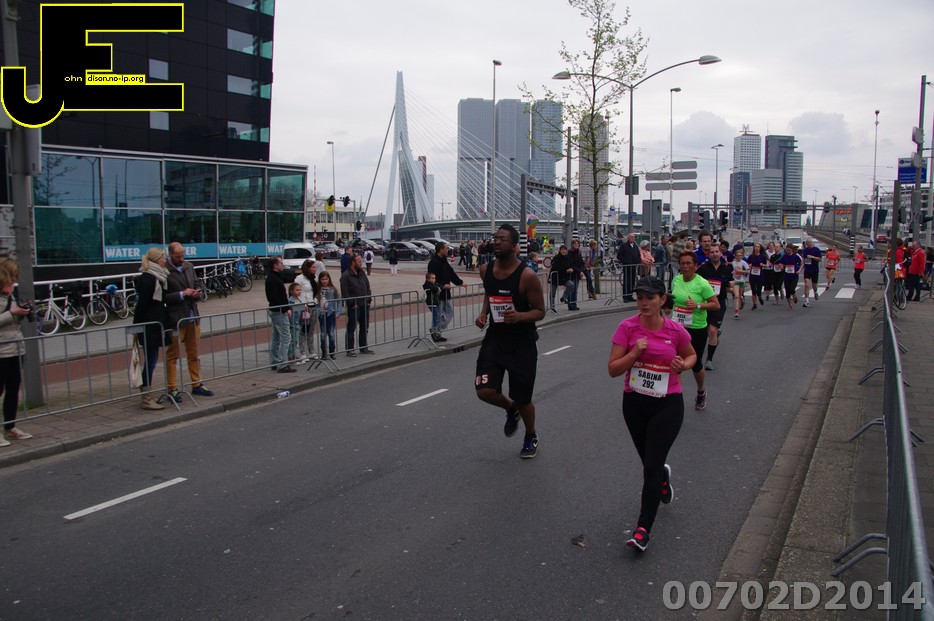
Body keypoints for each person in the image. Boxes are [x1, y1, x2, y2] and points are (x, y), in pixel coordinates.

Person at [608, 276, 697, 552]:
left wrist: (683, 365)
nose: (644, 303)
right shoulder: (627, 327)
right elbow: (613, 369)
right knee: (651, 463)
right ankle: (662, 478)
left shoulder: (675, 330)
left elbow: (691, 355)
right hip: (635, 404)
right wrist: (634, 352)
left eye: (650, 298)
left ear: (662, 300)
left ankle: (643, 529)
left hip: (667, 404)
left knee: (650, 467)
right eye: (640, 298)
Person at [474, 224, 546, 459]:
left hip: (521, 344)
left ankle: (531, 435)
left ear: (514, 246)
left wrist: (519, 317)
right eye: (495, 238)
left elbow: (540, 311)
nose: (496, 242)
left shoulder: (527, 276)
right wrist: (483, 313)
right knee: (484, 391)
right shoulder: (485, 270)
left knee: (523, 398)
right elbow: (490, 293)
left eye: (502, 239)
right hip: (495, 340)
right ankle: (510, 408)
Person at [669, 251, 718, 411]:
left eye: (688, 263)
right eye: (682, 263)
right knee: (674, 361)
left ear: (695, 266)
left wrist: (698, 305)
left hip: (696, 328)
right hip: (677, 327)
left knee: (695, 364)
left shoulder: (702, 284)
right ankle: (675, 396)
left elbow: (715, 304)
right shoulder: (676, 280)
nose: (685, 266)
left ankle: (701, 391)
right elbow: (674, 299)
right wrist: (668, 307)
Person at [164, 242, 213, 403]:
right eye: (178, 256)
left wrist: (198, 290)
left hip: (192, 315)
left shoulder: (188, 266)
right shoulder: (165, 270)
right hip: (176, 319)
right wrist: (181, 294)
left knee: (194, 352)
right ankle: (172, 388)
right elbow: (163, 297)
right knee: (173, 354)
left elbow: (197, 282)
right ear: (170, 254)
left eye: (183, 256)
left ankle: (197, 383)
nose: (181, 259)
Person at [0, 258, 33, 445]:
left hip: (15, 348)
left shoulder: (10, 296)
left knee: (13, 388)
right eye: (11, 277)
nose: (14, 281)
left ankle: (10, 426)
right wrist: (11, 313)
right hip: (1, 351)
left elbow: (11, 321)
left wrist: (21, 312)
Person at [132, 248, 170, 411]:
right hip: (149, 326)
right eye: (162, 258)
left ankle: (148, 394)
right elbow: (142, 305)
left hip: (155, 324)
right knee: (151, 361)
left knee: (152, 359)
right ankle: (146, 397)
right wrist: (136, 326)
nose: (165, 261)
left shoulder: (158, 276)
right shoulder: (149, 279)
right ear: (156, 260)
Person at [697, 245, 732, 371]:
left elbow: (729, 284)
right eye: (712, 252)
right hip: (706, 303)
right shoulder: (703, 269)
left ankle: (709, 360)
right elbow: (696, 284)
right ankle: (716, 334)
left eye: (717, 251)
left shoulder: (726, 269)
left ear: (720, 253)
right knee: (706, 331)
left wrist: (737, 294)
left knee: (712, 331)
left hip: (719, 303)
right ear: (709, 254)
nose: (715, 254)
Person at [427, 242, 465, 340]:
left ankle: (436, 329)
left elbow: (451, 273)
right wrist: (442, 286)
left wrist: (460, 282)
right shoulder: (433, 262)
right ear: (441, 249)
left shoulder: (444, 261)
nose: (448, 250)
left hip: (446, 293)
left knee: (449, 311)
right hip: (438, 293)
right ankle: (436, 333)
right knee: (438, 314)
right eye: (446, 248)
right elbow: (431, 279)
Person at [265, 256, 296, 373]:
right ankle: (282, 363)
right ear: (275, 265)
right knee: (286, 337)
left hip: (276, 310)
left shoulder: (274, 277)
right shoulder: (273, 279)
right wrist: (285, 308)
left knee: (276, 337)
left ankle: (275, 361)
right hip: (278, 311)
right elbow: (275, 297)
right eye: (280, 263)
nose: (282, 265)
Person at [340, 254, 374, 356]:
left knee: (364, 327)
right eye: (359, 261)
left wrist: (368, 299)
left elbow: (367, 286)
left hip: (364, 304)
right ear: (353, 263)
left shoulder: (362, 273)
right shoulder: (346, 276)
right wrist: (351, 303)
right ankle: (350, 349)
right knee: (351, 327)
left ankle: (363, 347)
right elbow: (345, 292)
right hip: (354, 306)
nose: (361, 263)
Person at [295, 259, 319, 360]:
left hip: (313, 305)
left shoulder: (315, 278)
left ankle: (311, 350)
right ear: (307, 268)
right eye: (313, 267)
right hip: (304, 307)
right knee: (303, 330)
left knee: (311, 330)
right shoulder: (300, 278)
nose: (315, 269)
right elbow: (295, 292)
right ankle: (302, 352)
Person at [317, 271, 341, 360]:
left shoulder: (333, 289)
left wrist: (338, 312)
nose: (324, 281)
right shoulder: (318, 290)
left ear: (329, 279)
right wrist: (317, 312)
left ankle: (332, 352)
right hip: (322, 314)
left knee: (331, 333)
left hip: (331, 313)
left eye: (326, 279)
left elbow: (339, 300)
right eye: (322, 279)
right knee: (323, 333)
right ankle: (324, 352)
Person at [549, 244, 580, 311]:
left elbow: (572, 265)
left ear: (566, 251)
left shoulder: (567, 258)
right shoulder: (556, 258)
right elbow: (556, 267)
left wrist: (577, 271)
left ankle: (564, 297)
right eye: (562, 250)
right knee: (553, 293)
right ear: (560, 250)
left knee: (571, 284)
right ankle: (552, 307)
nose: (563, 251)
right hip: (555, 277)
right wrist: (566, 270)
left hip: (564, 277)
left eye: (564, 250)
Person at [617, 233, 640, 302]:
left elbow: (638, 255)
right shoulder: (624, 246)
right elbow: (619, 256)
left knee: (632, 281)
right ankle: (625, 296)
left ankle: (630, 295)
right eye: (631, 237)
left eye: (634, 237)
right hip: (627, 266)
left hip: (633, 266)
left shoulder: (635, 246)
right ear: (628, 238)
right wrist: (625, 262)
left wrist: (637, 261)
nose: (633, 238)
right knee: (626, 281)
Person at [779, 243, 803, 310]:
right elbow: (782, 263)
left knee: (792, 289)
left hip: (794, 276)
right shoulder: (784, 257)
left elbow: (802, 263)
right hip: (786, 276)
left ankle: (794, 294)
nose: (788, 252)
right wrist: (781, 266)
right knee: (787, 291)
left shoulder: (796, 256)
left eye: (789, 250)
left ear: (792, 250)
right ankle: (789, 304)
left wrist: (799, 270)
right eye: (787, 250)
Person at [423, 271, 444, 342]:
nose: (434, 279)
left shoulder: (434, 284)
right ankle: (434, 330)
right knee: (436, 316)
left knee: (437, 316)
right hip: (432, 303)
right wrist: (438, 288)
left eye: (434, 278)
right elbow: (434, 288)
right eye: (432, 278)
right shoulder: (427, 285)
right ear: (428, 279)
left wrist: (439, 288)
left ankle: (436, 332)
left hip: (436, 302)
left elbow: (440, 286)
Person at [801, 238, 822, 307]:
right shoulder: (805, 250)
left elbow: (820, 259)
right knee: (807, 285)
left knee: (814, 285)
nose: (810, 244)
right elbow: (803, 260)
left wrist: (812, 257)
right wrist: (800, 269)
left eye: (811, 242)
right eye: (808, 243)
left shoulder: (816, 250)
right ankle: (807, 301)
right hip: (807, 270)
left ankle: (815, 292)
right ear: (806, 244)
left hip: (814, 270)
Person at [287, 282, 304, 362]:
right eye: (297, 290)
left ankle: (293, 354)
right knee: (292, 340)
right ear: (291, 291)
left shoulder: (300, 300)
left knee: (296, 339)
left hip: (298, 323)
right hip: (292, 323)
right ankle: (291, 355)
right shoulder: (290, 301)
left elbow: (300, 312)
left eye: (300, 290)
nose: (299, 291)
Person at [747, 243, 768, 309]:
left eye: (758, 247)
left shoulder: (762, 257)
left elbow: (766, 265)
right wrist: (749, 265)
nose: (756, 248)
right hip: (752, 275)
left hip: (760, 275)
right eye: (755, 247)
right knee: (753, 291)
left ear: (760, 248)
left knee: (758, 290)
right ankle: (754, 304)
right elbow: (747, 264)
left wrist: (763, 265)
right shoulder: (751, 256)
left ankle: (759, 296)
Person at [731, 247, 750, 319]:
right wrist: (733, 272)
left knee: (740, 295)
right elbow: (731, 270)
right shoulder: (733, 263)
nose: (739, 257)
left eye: (740, 255)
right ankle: (736, 311)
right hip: (735, 281)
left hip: (741, 281)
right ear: (735, 256)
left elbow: (748, 271)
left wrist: (740, 271)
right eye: (738, 255)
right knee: (736, 296)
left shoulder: (743, 263)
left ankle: (742, 301)